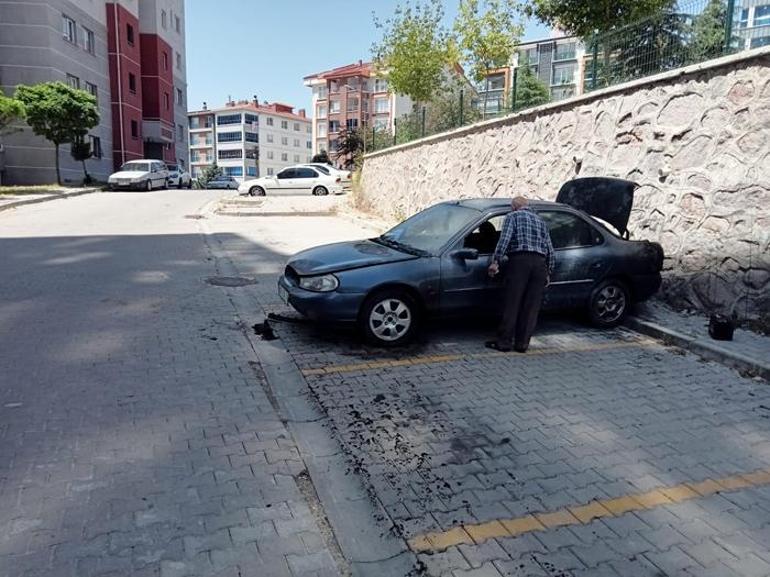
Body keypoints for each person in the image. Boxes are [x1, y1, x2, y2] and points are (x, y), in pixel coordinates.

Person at [486, 196, 554, 353]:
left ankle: (504, 343)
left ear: (514, 207)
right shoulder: (541, 221)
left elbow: (504, 239)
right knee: (531, 306)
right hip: (539, 264)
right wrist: (548, 271)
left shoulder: (512, 217)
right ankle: (522, 344)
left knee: (512, 302)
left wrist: (496, 261)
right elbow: (550, 248)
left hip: (519, 261)